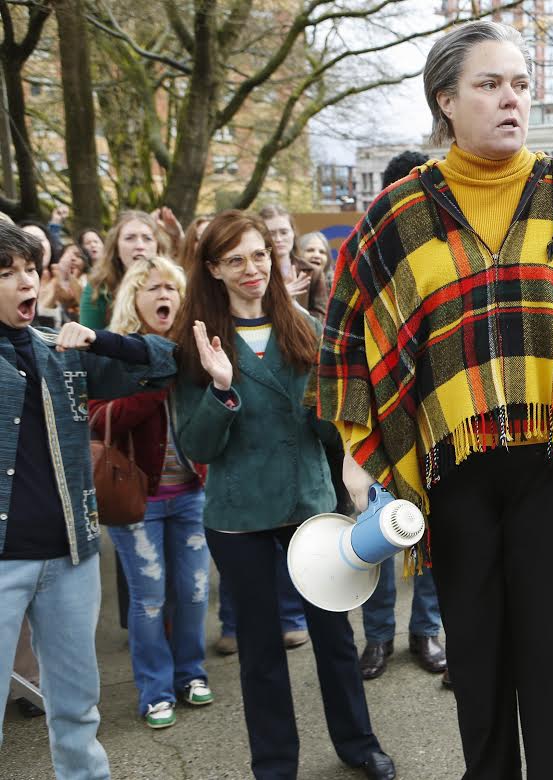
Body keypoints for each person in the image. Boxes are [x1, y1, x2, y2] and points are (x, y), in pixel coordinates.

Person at [320, 20, 553, 779]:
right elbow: (351, 346)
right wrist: (363, 461)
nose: (510, 99)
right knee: (478, 668)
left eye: (520, 84)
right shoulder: (397, 214)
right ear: (445, 100)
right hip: (454, 475)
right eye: (489, 84)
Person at [171, 210, 394, 780]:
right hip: (239, 514)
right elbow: (197, 445)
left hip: (309, 507)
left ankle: (359, 743)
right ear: (213, 268)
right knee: (261, 650)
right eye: (236, 259)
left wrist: (342, 431)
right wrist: (221, 388)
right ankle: (273, 764)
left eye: (260, 255)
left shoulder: (306, 328)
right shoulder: (196, 341)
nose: (252, 269)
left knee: (335, 637)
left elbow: (331, 427)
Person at [0, 222, 178, 780]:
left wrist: (101, 339)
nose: (26, 282)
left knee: (78, 709)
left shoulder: (59, 349)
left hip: (71, 556)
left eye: (31, 270)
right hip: (4, 564)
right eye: (6, 274)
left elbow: (163, 361)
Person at [89, 255, 212, 730]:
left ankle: (191, 673)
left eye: (172, 288)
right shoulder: (113, 353)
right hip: (137, 500)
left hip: (193, 492)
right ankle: (155, 691)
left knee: (195, 591)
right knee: (149, 599)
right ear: (133, 299)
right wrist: (155, 384)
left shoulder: (194, 348)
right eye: (153, 288)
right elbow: (99, 417)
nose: (165, 295)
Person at [356, 148, 448, 684]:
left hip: (433, 422)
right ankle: (378, 637)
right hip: (377, 422)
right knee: (376, 535)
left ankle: (425, 631)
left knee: (428, 531)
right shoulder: (365, 258)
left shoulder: (441, 251)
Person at [81, 210, 166, 329]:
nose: (140, 246)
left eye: (147, 238)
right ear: (116, 248)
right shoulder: (97, 287)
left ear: (158, 247)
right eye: (130, 238)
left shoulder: (175, 285)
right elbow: (89, 337)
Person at [259, 204, 328, 321]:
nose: (278, 239)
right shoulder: (254, 272)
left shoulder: (313, 272)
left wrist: (291, 304)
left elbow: (320, 320)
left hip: (300, 331)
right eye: (271, 233)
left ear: (293, 233)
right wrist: (280, 296)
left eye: (284, 232)